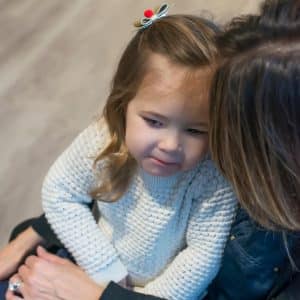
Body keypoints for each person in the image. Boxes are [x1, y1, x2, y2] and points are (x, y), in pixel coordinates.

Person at [3, 0, 300, 299]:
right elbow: (65, 191)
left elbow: (198, 262)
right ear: (122, 105)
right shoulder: (108, 137)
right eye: (154, 121)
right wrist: (49, 244)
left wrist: (105, 295)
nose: (171, 145)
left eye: (197, 130)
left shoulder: (213, 177)